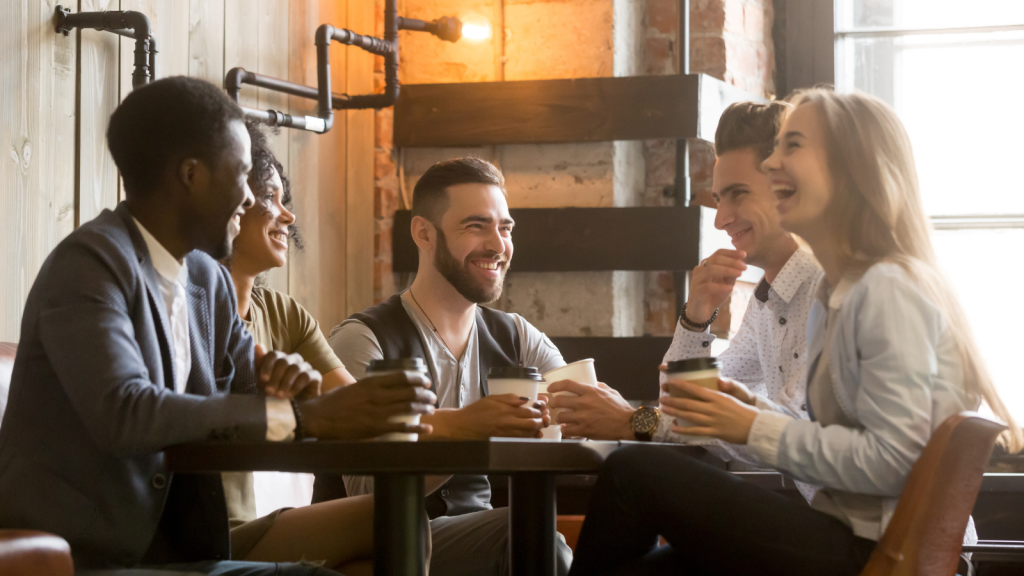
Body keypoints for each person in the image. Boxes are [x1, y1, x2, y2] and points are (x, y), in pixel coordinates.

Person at [565, 88, 1023, 576]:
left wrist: (741, 422)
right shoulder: (828, 290)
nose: (777, 164)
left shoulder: (882, 289)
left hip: (877, 552)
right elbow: (691, 408)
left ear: (848, 172)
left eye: (793, 147)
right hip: (845, 537)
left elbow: (894, 460)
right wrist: (702, 331)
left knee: (633, 472)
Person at [0, 76, 435, 575]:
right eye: (242, 174)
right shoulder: (91, 265)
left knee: (395, 522)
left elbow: (248, 396)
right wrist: (306, 418)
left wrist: (290, 390)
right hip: (91, 555)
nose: (251, 200)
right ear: (191, 175)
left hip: (186, 548)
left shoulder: (206, 279)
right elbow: (126, 413)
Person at [547, 103, 821, 488]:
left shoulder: (826, 291)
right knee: (635, 471)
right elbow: (686, 409)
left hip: (840, 529)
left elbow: (787, 436)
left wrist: (632, 421)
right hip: (808, 514)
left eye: (738, 194)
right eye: (718, 198)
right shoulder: (770, 299)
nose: (720, 218)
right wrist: (695, 318)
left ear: (788, 187)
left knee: (634, 469)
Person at [326, 157, 574, 576]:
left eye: (505, 228)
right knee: (533, 539)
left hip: (477, 534)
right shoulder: (363, 338)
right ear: (424, 233)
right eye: (476, 226)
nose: (498, 244)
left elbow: (579, 406)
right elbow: (364, 492)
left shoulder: (517, 336)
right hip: (383, 536)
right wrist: (469, 427)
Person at [219, 120, 393, 575]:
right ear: (231, 201)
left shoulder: (285, 314)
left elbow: (358, 414)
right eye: (270, 198)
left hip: (271, 525)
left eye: (284, 199)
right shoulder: (185, 305)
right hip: (215, 531)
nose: (287, 215)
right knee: (389, 515)